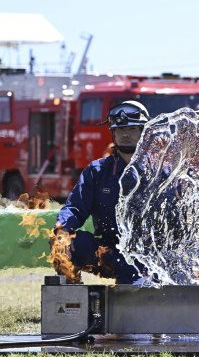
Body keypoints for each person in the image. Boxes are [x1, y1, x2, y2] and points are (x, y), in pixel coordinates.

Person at [50, 101, 150, 284]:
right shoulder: (96, 172)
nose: (125, 134)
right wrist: (62, 230)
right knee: (65, 243)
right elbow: (74, 207)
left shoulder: (162, 172)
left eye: (133, 129)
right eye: (120, 130)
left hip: (152, 255)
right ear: (113, 133)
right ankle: (71, 299)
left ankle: (140, 282)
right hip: (111, 254)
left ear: (144, 132)